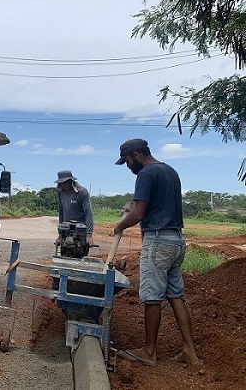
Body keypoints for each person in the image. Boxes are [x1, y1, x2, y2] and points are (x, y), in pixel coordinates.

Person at [113, 138, 201, 366]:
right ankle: (190, 352)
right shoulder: (169, 171)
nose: (128, 166)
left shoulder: (146, 173)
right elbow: (157, 205)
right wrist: (130, 208)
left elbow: (140, 213)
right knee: (175, 295)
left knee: (152, 297)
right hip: (177, 240)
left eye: (127, 161)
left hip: (158, 241)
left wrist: (120, 226)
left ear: (137, 154)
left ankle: (149, 352)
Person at [55, 170, 94, 245]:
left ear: (71, 181)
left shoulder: (82, 192)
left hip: (81, 226)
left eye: (66, 182)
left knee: (80, 249)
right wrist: (60, 232)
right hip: (67, 226)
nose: (64, 185)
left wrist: (89, 235)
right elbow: (61, 211)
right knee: (65, 248)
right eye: (62, 183)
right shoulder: (60, 192)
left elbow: (88, 213)